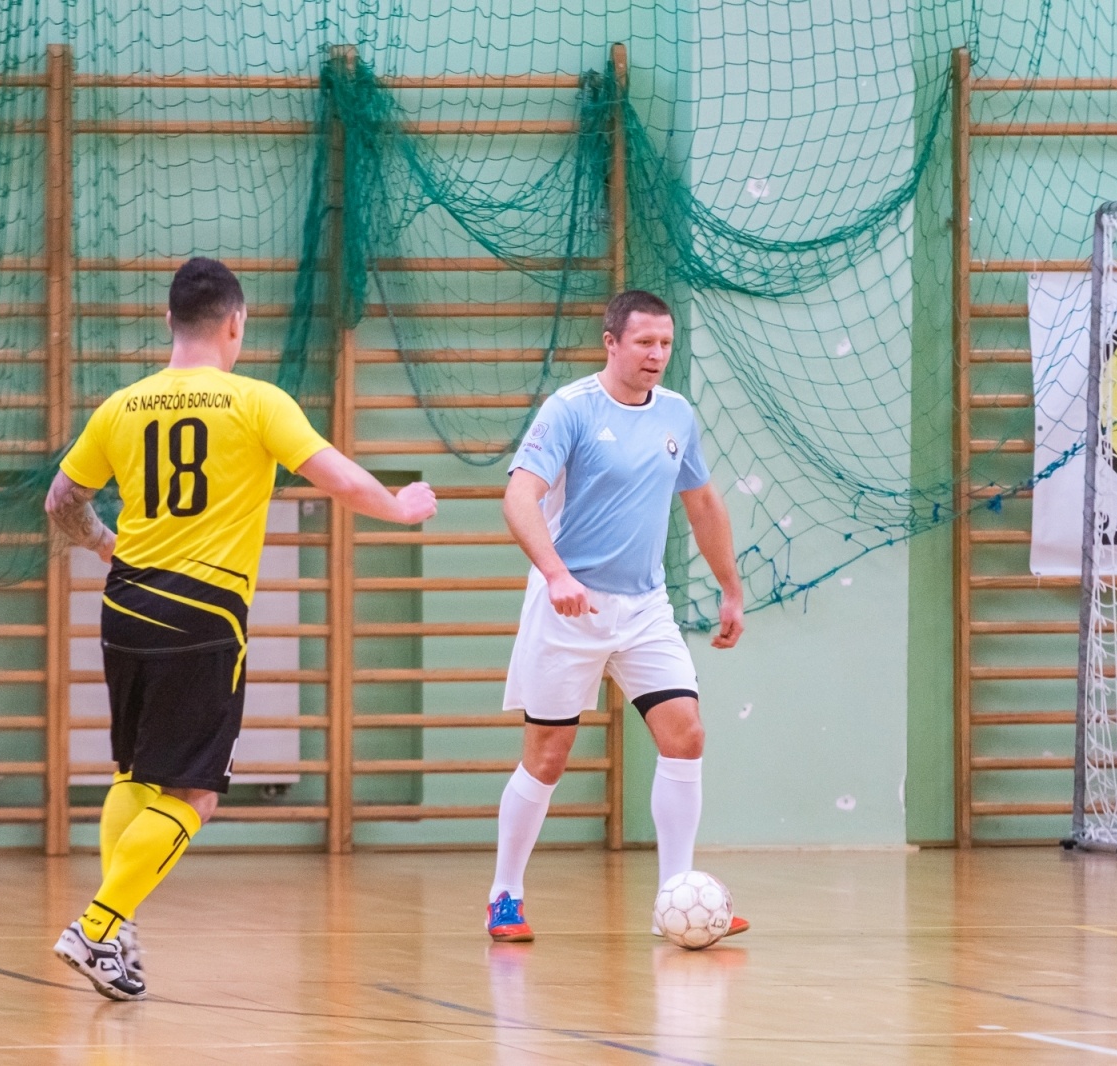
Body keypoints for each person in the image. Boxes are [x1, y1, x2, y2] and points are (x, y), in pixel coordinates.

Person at [45, 257, 437, 999]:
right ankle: (98, 925)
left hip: (125, 606)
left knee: (136, 774)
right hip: (204, 611)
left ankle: (115, 927)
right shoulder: (257, 402)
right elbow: (340, 478)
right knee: (194, 794)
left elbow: (61, 500)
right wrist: (400, 504)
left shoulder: (121, 407)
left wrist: (104, 544)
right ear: (236, 323)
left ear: (169, 321)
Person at [486, 289, 747, 942]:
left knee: (685, 733)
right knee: (548, 755)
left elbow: (705, 504)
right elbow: (519, 496)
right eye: (644, 343)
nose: (657, 354)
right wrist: (556, 574)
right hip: (569, 607)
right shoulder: (570, 410)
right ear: (611, 342)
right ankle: (505, 893)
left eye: (665, 343)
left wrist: (730, 589)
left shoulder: (677, 415)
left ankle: (675, 896)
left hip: (645, 608)